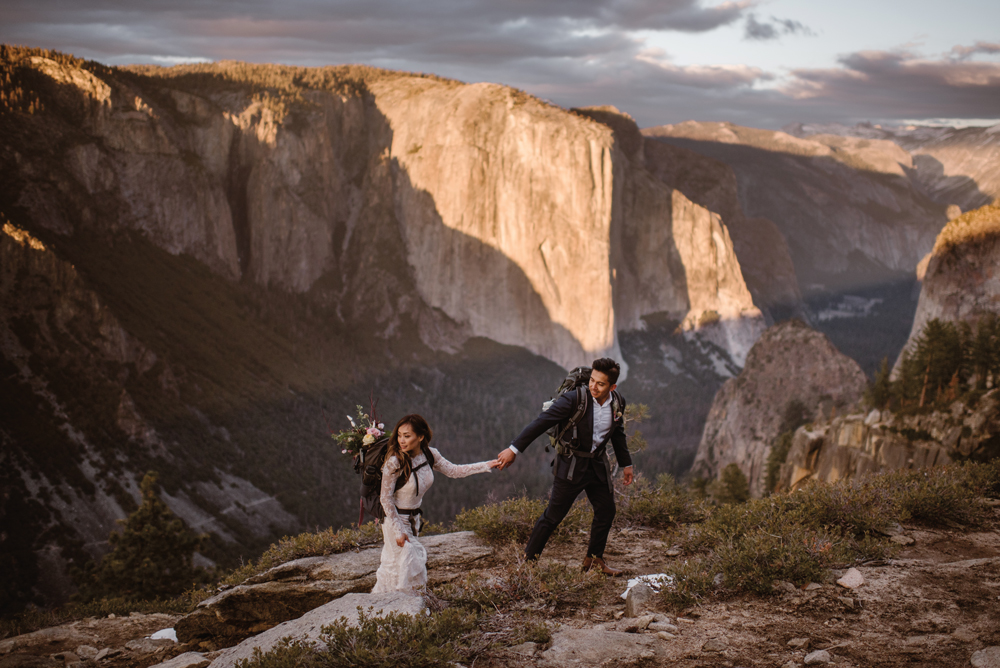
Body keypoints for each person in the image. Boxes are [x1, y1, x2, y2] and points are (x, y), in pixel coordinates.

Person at [496, 357, 633, 575]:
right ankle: (527, 566)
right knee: (553, 516)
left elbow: (618, 434)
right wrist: (514, 449)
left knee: (606, 511)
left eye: (600, 383)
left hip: (597, 464)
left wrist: (626, 464)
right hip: (571, 465)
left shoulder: (618, 402)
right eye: (592, 380)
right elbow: (542, 422)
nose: (593, 386)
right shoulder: (574, 400)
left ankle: (594, 561)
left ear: (612, 386)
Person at [372, 414, 500, 593]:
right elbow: (385, 498)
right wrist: (399, 530)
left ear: (421, 436)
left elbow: (454, 471)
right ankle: (395, 608)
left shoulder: (430, 454)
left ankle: (403, 609)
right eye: (399, 435)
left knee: (406, 567)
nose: (401, 440)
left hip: (414, 519)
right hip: (396, 521)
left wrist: (486, 465)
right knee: (401, 566)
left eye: (407, 436)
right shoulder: (395, 462)